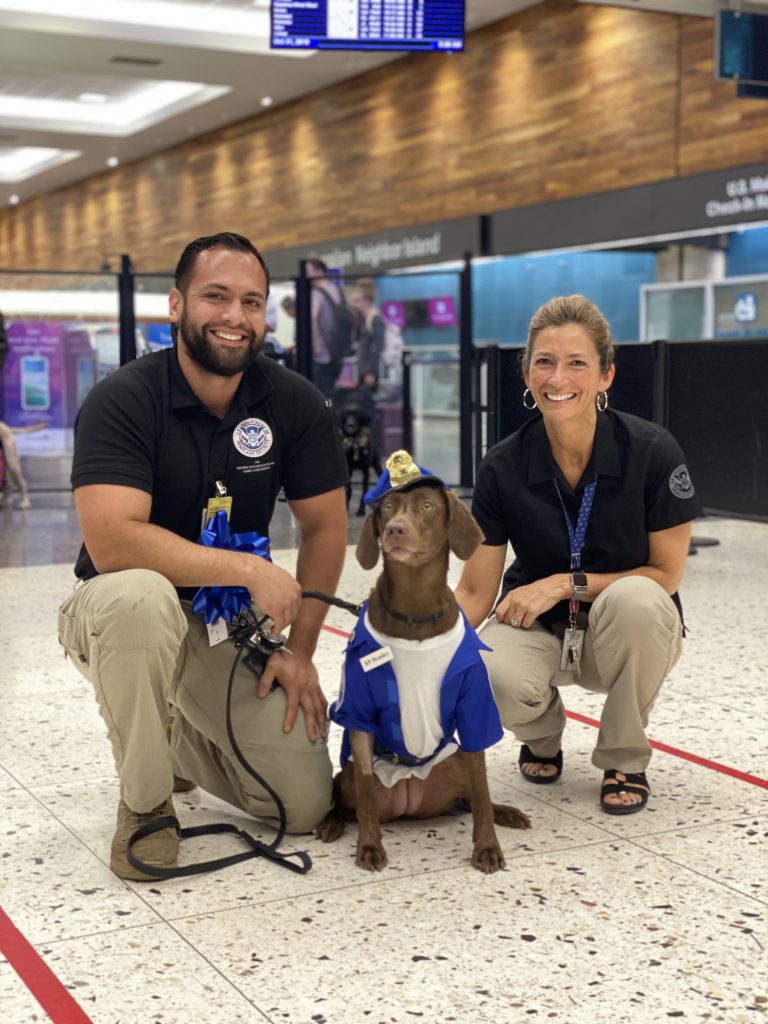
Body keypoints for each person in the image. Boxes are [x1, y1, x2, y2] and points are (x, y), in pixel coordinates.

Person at [57, 232, 348, 880]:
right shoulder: (125, 399)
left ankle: (177, 743)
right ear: (176, 304)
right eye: (216, 296)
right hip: (115, 610)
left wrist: (299, 651)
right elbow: (114, 542)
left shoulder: (293, 404)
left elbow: (326, 528)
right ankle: (147, 806)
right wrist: (247, 569)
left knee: (303, 804)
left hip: (221, 623)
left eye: (251, 301)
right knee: (142, 598)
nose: (234, 316)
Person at [455, 294, 700, 815]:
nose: (557, 377)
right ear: (526, 373)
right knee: (486, 665)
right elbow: (477, 589)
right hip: (540, 626)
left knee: (641, 599)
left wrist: (566, 583)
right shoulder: (502, 465)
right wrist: (415, 639)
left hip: (624, 628)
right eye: (543, 361)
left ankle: (624, 756)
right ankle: (543, 736)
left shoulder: (653, 452)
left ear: (606, 375)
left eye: (576, 363)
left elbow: (667, 573)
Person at [307, 258, 347, 398]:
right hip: (337, 354)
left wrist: (313, 346)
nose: (306, 276)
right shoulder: (337, 290)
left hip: (320, 356)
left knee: (317, 397)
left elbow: (311, 318)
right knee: (330, 395)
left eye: (308, 271)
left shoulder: (316, 293)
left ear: (319, 272)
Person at [350, 278, 385, 392]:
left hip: (369, 372)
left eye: (357, 300)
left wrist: (371, 373)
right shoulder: (362, 320)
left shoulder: (375, 320)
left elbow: (377, 347)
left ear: (367, 301)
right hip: (362, 370)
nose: (354, 304)